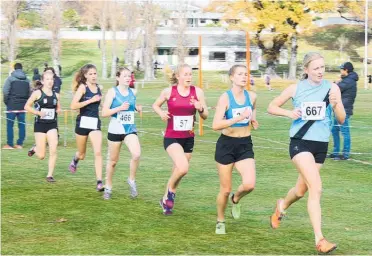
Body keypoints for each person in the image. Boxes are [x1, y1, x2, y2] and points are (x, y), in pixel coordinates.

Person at [267, 52, 345, 254]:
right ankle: (320, 239)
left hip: (320, 146)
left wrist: (335, 105)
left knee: (301, 190)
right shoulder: (296, 88)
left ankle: (281, 206)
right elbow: (271, 106)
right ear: (306, 70)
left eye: (322, 67)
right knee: (316, 188)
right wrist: (289, 113)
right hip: (300, 143)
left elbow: (342, 119)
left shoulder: (333, 88)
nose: (320, 71)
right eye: (316, 68)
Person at [152, 63, 208, 215]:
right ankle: (170, 193)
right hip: (172, 137)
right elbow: (155, 105)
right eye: (186, 74)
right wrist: (162, 113)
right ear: (178, 76)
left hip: (188, 138)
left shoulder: (198, 92)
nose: (189, 77)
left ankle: (166, 199)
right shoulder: (169, 91)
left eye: (190, 74)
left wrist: (200, 108)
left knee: (178, 170)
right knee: (183, 168)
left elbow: (205, 115)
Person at [212, 65, 259, 235]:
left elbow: (253, 108)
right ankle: (220, 220)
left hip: (245, 144)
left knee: (249, 184)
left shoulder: (252, 96)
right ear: (232, 77)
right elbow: (215, 125)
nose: (244, 77)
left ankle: (236, 198)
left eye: (246, 74)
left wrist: (253, 119)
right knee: (225, 189)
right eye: (240, 74)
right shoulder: (225, 98)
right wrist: (237, 118)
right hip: (226, 145)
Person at [101, 67, 142, 200]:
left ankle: (131, 180)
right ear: (118, 78)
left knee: (136, 154)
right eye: (125, 76)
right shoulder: (112, 92)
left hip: (129, 129)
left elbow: (131, 105)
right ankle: (108, 187)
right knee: (113, 161)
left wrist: (137, 107)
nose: (128, 78)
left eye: (129, 76)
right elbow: (104, 113)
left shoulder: (133, 92)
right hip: (115, 130)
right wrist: (119, 108)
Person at [69, 64, 104, 192]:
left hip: (94, 123)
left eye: (95, 73)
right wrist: (90, 100)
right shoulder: (83, 88)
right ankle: (75, 159)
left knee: (98, 152)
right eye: (90, 74)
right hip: (82, 123)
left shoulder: (99, 88)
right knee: (82, 154)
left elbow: (103, 105)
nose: (93, 76)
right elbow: (73, 105)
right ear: (85, 76)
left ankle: (99, 182)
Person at [24, 71, 61, 182]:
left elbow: (58, 107)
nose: (50, 81)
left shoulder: (56, 95)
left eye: (51, 79)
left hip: (52, 125)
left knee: (53, 149)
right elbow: (27, 106)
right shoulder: (37, 93)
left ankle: (49, 175)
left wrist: (58, 110)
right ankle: (35, 149)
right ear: (43, 81)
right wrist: (38, 113)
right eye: (47, 79)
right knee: (41, 156)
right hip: (40, 125)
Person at [328, 62, 358, 160]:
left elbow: (336, 88)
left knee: (345, 132)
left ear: (346, 70)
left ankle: (345, 155)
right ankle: (336, 152)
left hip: (344, 110)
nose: (340, 71)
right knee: (335, 130)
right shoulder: (347, 80)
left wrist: (335, 83)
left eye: (342, 69)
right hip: (339, 108)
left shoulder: (349, 81)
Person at [2, 63, 30, 149]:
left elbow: (5, 91)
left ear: (14, 69)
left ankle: (10, 144)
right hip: (23, 105)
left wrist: (7, 102)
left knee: (10, 124)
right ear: (22, 69)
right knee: (21, 124)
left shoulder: (10, 79)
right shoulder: (27, 80)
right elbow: (30, 93)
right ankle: (19, 144)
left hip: (12, 104)